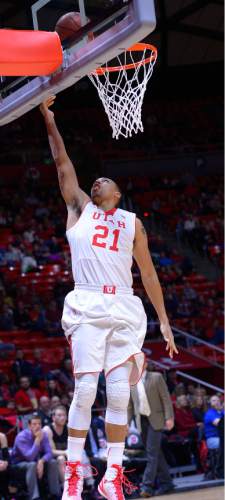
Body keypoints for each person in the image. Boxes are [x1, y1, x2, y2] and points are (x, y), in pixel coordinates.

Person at [40, 95, 178, 500]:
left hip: (124, 305)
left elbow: (149, 273)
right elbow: (63, 163)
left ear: (117, 195)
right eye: (94, 181)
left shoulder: (132, 224)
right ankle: (74, 473)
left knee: (119, 394)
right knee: (85, 392)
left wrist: (165, 321)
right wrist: (49, 119)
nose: (96, 181)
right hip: (87, 303)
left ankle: (112, 474)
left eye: (104, 181)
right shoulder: (80, 208)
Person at [129, 362, 175, 497]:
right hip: (141, 421)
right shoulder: (131, 382)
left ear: (145, 363)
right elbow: (130, 406)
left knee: (151, 453)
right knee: (156, 453)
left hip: (156, 419)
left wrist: (169, 417)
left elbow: (166, 398)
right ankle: (167, 483)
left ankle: (147, 486)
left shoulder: (156, 377)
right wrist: (126, 423)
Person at [11, 414, 61, 500]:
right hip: (18, 465)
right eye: (34, 424)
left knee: (52, 462)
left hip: (36, 461)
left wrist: (42, 461)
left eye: (39, 424)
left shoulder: (43, 434)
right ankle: (34, 497)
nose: (37, 426)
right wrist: (37, 440)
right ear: (29, 426)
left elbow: (49, 453)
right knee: (32, 464)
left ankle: (55, 494)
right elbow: (29, 457)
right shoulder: (21, 437)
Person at [43, 405, 68, 484]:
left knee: (81, 454)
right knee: (61, 458)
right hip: (48, 457)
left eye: (64, 415)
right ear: (53, 418)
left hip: (66, 454)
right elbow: (51, 451)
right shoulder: (48, 430)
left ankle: (88, 484)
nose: (63, 418)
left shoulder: (68, 428)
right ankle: (66, 488)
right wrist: (66, 452)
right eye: (59, 415)